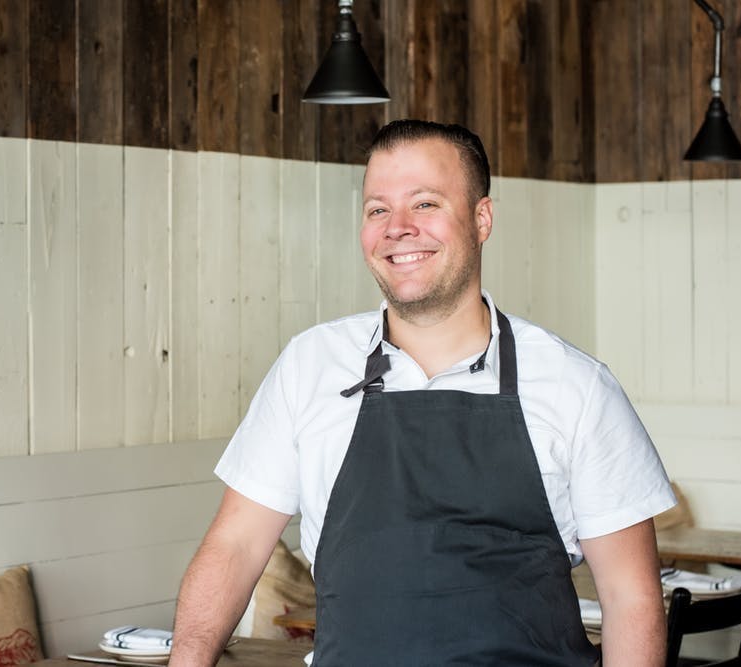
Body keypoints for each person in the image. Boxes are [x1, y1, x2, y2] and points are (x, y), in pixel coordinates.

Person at [169, 120, 676, 666]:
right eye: (377, 209)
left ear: (482, 219)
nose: (398, 228)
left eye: (426, 204)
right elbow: (235, 547)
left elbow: (632, 599)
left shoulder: (578, 388)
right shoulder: (308, 366)